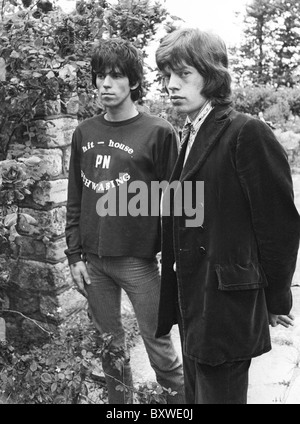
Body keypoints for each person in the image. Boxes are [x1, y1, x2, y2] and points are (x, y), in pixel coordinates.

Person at [155, 27, 300, 404]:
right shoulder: (188, 132)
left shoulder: (245, 132)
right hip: (194, 296)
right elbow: (186, 211)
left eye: (184, 74)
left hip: (225, 303)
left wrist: (275, 297)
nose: (171, 84)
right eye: (167, 75)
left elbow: (279, 224)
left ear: (212, 74)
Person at [65, 38, 184, 404]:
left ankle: (181, 405)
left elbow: (178, 201)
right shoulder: (84, 132)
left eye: (115, 76)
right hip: (94, 264)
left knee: (160, 349)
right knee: (110, 353)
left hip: (139, 262)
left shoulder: (158, 132)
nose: (105, 84)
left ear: (133, 81)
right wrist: (74, 256)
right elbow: (75, 198)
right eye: (99, 76)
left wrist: (177, 256)